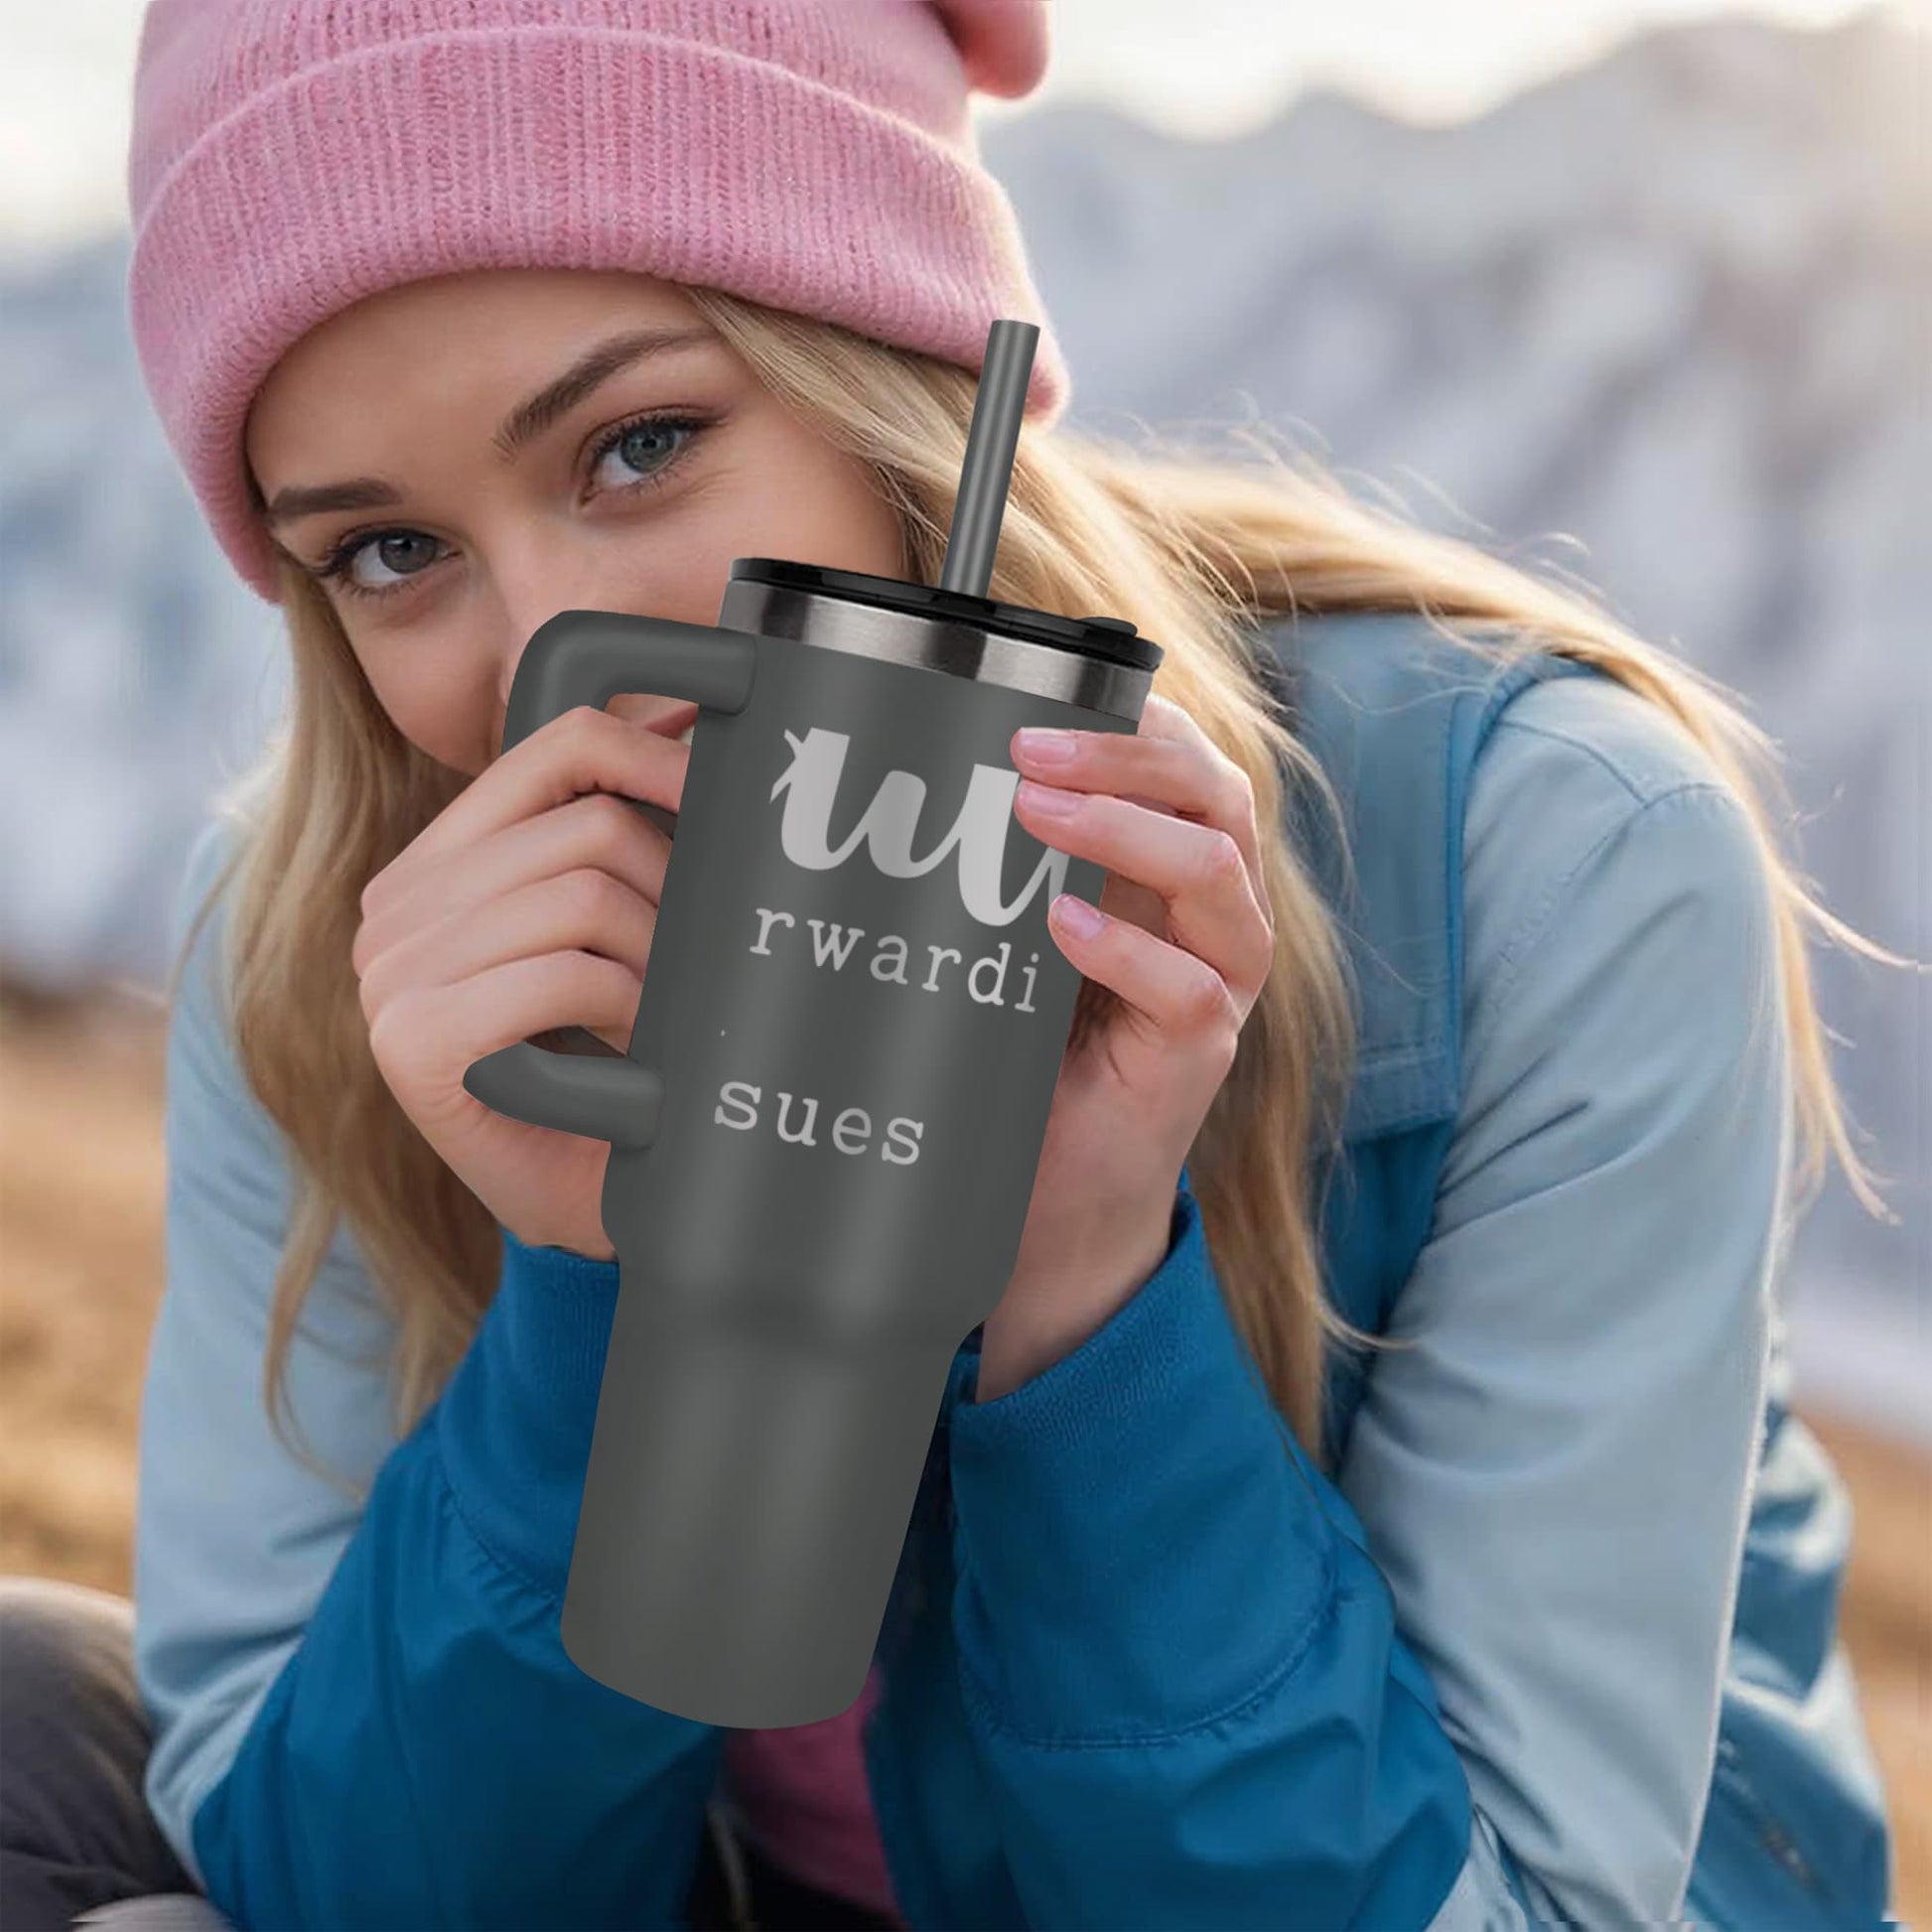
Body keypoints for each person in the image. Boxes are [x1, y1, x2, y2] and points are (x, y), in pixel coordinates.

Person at [0, 0, 1902, 1927]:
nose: (550, 654)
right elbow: (348, 1896)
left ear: (906, 377)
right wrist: (592, 1288)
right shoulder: (342, 933)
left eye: (643, 443)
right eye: (392, 551)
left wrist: (1084, 1303)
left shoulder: (1541, 851)